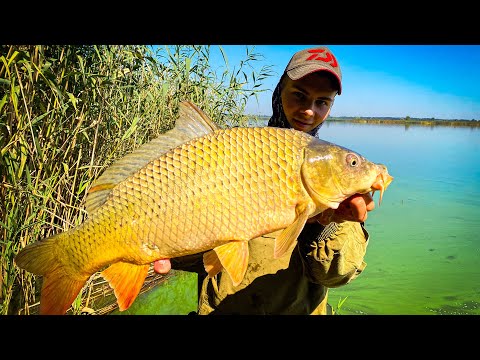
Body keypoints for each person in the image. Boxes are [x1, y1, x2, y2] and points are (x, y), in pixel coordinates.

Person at [153, 46, 375, 315]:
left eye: (322, 102)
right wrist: (157, 246)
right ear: (278, 92)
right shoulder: (232, 152)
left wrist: (324, 222)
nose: (308, 111)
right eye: (299, 95)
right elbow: (204, 259)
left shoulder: (332, 174)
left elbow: (336, 274)